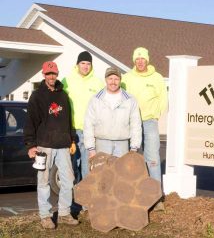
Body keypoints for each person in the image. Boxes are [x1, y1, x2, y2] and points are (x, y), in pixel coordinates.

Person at [24, 61, 78, 229]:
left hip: (63, 145)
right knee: (44, 181)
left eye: (53, 73)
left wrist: (72, 139)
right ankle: (45, 215)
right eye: (48, 74)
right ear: (43, 75)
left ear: (57, 74)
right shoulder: (37, 95)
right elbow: (30, 121)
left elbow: (69, 119)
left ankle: (64, 213)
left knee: (68, 180)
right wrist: (31, 145)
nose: (51, 76)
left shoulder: (63, 95)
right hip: (44, 146)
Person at [122, 47, 168, 210]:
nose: (140, 61)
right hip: (131, 123)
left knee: (153, 159)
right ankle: (131, 195)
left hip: (150, 122)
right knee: (131, 159)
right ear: (134, 61)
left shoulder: (157, 78)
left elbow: (163, 98)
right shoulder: (126, 78)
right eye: (137, 59)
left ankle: (156, 199)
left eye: (142, 59)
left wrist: (156, 115)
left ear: (147, 60)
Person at [62, 51, 104, 182]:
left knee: (87, 168)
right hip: (72, 131)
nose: (85, 66)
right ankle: (74, 200)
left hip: (89, 132)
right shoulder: (67, 81)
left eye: (88, 63)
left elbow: (103, 107)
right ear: (77, 64)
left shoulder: (98, 83)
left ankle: (86, 200)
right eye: (83, 63)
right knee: (72, 166)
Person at [84, 67, 142, 159]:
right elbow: (88, 124)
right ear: (106, 80)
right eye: (110, 79)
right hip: (101, 143)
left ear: (120, 80)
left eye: (116, 79)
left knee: (122, 173)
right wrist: (91, 149)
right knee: (102, 172)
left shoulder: (130, 100)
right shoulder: (95, 99)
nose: (113, 82)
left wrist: (134, 148)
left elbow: (136, 124)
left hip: (122, 144)